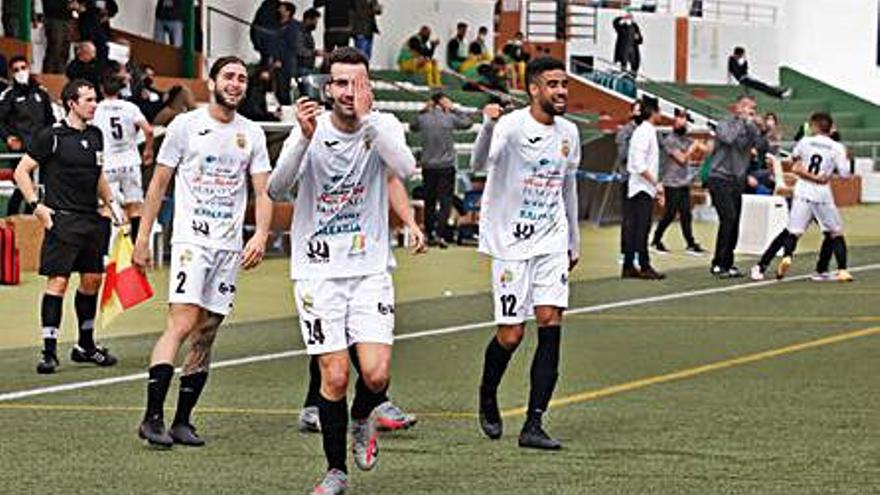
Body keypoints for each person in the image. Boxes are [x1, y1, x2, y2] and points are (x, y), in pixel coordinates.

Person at [266, 46, 422, 495]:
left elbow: (407, 168)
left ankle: (361, 418)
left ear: (368, 87)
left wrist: (371, 122)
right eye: (340, 83)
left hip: (369, 268)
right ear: (327, 87)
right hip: (317, 274)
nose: (349, 92)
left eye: (357, 83)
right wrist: (301, 137)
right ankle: (335, 472)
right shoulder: (311, 131)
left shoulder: (382, 126)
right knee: (334, 376)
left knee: (376, 376)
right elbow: (277, 189)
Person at [132, 56, 273, 448]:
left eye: (242, 78)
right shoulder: (186, 125)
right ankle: (152, 417)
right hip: (192, 241)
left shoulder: (252, 134)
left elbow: (262, 191)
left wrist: (259, 234)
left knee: (208, 330)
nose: (236, 83)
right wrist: (143, 237)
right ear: (212, 83)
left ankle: (182, 421)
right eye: (228, 76)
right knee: (181, 322)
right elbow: (159, 185)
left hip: (228, 247)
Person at [471, 57, 581, 450]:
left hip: (551, 239)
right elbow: (478, 164)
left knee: (550, 322)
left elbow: (568, 187)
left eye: (564, 84)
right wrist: (487, 124)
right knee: (512, 334)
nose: (561, 91)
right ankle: (488, 392)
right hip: (510, 244)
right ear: (534, 88)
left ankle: (534, 424)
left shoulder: (569, 132)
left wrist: (574, 240)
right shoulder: (511, 125)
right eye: (553, 84)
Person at [297, 174, 422, 435]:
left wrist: (410, 221)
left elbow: (391, 176)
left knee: (360, 335)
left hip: (363, 256)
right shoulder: (313, 139)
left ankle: (372, 402)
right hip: (319, 259)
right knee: (333, 338)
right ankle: (318, 407)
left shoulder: (374, 138)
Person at [13, 79, 121, 374]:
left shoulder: (97, 135)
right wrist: (38, 208)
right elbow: (21, 173)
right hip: (62, 220)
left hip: (92, 221)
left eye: (94, 98)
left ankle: (85, 346)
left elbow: (97, 175)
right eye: (87, 99)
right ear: (72, 103)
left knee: (92, 282)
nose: (94, 104)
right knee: (58, 284)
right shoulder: (52, 136)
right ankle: (49, 352)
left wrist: (111, 203)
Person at [750, 113, 853, 283]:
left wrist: (806, 174)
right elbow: (844, 174)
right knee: (834, 232)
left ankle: (768, 263)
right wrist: (826, 173)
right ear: (830, 128)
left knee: (791, 232)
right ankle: (836, 270)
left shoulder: (805, 142)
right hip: (822, 195)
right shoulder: (837, 147)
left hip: (803, 193)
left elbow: (795, 164)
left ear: (815, 126)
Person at [92, 74, 155, 245]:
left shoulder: (96, 109)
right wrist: (148, 150)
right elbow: (149, 131)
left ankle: (104, 253)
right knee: (134, 207)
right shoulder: (130, 107)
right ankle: (135, 250)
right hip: (130, 162)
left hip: (108, 163)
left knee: (106, 207)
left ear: (101, 88)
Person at [708, 95, 761, 279]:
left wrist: (753, 124)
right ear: (737, 107)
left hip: (737, 180)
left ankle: (727, 263)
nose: (750, 110)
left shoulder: (749, 127)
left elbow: (756, 142)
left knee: (735, 221)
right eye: (746, 106)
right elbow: (729, 138)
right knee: (728, 218)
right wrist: (742, 121)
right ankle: (718, 262)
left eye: (752, 107)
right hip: (719, 178)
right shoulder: (723, 124)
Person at [411, 92, 473, 247]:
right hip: (446, 166)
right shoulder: (449, 118)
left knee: (429, 201)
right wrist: (453, 109)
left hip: (428, 166)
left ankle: (429, 234)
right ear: (443, 103)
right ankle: (440, 234)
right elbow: (468, 123)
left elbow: (412, 127)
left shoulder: (423, 118)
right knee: (446, 202)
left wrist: (423, 111)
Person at [1, 56, 56, 216]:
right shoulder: (8, 95)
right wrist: (8, 138)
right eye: (16, 69)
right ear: (11, 73)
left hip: (41, 148)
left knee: (39, 187)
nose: (21, 72)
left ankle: (30, 220)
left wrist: (51, 139)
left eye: (23, 67)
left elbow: (50, 119)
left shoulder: (41, 92)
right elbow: (0, 121)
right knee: (23, 187)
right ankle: (11, 219)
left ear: (29, 68)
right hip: (21, 151)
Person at [651, 109, 707, 255]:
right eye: (679, 120)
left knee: (686, 214)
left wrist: (706, 141)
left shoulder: (685, 139)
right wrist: (692, 148)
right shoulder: (670, 140)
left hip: (683, 183)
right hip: (671, 182)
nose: (682, 123)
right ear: (674, 123)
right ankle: (655, 241)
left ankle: (690, 243)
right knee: (669, 214)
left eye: (684, 120)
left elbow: (705, 149)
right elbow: (682, 159)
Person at [622, 98, 665, 280]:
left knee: (636, 228)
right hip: (641, 188)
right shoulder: (644, 132)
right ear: (653, 112)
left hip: (642, 186)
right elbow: (639, 165)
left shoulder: (646, 131)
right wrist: (656, 184)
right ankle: (644, 265)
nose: (661, 115)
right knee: (641, 229)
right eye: (659, 111)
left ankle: (629, 265)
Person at [615, 101, 641, 267]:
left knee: (641, 219)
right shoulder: (625, 131)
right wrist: (637, 144)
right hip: (628, 179)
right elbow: (622, 155)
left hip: (642, 181)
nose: (639, 113)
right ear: (631, 112)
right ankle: (625, 252)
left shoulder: (647, 130)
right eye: (637, 111)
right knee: (629, 218)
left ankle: (638, 250)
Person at [728, 47, 792, 99]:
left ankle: (779, 93)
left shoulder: (738, 61)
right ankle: (780, 94)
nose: (743, 56)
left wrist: (744, 62)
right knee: (762, 86)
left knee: (763, 85)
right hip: (743, 79)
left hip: (746, 78)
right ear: (739, 54)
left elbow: (744, 70)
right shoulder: (732, 60)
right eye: (742, 54)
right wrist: (743, 64)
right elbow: (737, 72)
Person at [43, 0, 77, 74]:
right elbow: (50, 6)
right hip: (54, 18)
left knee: (65, 49)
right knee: (55, 48)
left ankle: (61, 74)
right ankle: (49, 76)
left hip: (67, 18)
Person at [250, 0, 282, 66]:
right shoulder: (267, 7)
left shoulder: (265, 7)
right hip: (267, 39)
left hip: (267, 39)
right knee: (266, 59)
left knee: (266, 59)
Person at [296, 8, 322, 80]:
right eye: (315, 22)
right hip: (302, 67)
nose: (316, 25)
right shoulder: (300, 32)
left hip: (305, 67)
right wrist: (315, 53)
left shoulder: (306, 32)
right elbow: (299, 49)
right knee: (308, 91)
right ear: (308, 19)